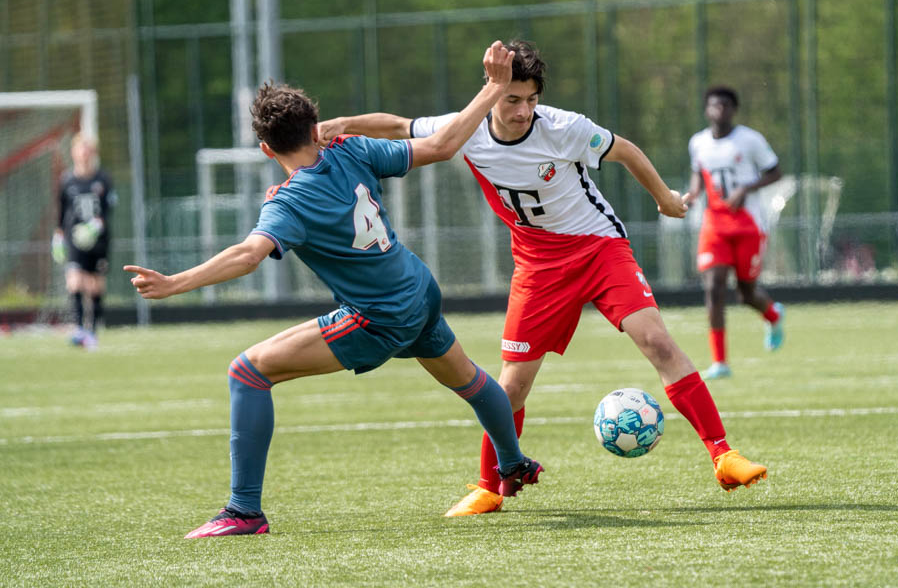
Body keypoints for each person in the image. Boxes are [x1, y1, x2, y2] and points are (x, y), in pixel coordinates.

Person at [318, 40, 767, 518]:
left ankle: (723, 455)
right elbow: (399, 126)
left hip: (598, 248)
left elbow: (627, 151)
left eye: (531, 100)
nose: (523, 111)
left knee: (656, 340)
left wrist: (663, 199)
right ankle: (490, 488)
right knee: (511, 386)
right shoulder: (467, 129)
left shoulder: (564, 128)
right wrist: (345, 124)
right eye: (513, 100)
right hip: (536, 266)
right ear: (492, 94)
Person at [124, 41, 542, 538]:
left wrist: (176, 283)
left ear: (265, 149)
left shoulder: (290, 200)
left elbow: (247, 255)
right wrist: (491, 88)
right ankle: (512, 463)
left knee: (247, 374)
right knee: (470, 382)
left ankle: (243, 512)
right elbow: (442, 146)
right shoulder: (352, 147)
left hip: (379, 316)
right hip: (418, 288)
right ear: (316, 126)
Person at [687, 86, 785, 380]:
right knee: (713, 288)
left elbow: (775, 171)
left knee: (746, 292)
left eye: (727, 105)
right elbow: (698, 173)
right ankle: (720, 363)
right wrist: (692, 194)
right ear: (707, 109)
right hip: (714, 226)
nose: (720, 110)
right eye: (715, 105)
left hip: (748, 225)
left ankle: (773, 315)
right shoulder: (698, 143)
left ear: (734, 109)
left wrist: (746, 188)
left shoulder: (750, 140)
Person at [53, 133, 116, 350]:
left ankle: (93, 331)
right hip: (74, 239)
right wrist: (59, 234)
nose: (84, 153)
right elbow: (61, 210)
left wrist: (97, 225)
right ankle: (79, 328)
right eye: (81, 148)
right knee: (75, 281)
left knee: (95, 285)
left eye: (88, 149)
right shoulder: (67, 180)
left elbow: (109, 208)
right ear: (74, 152)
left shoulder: (102, 179)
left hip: (98, 240)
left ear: (93, 153)